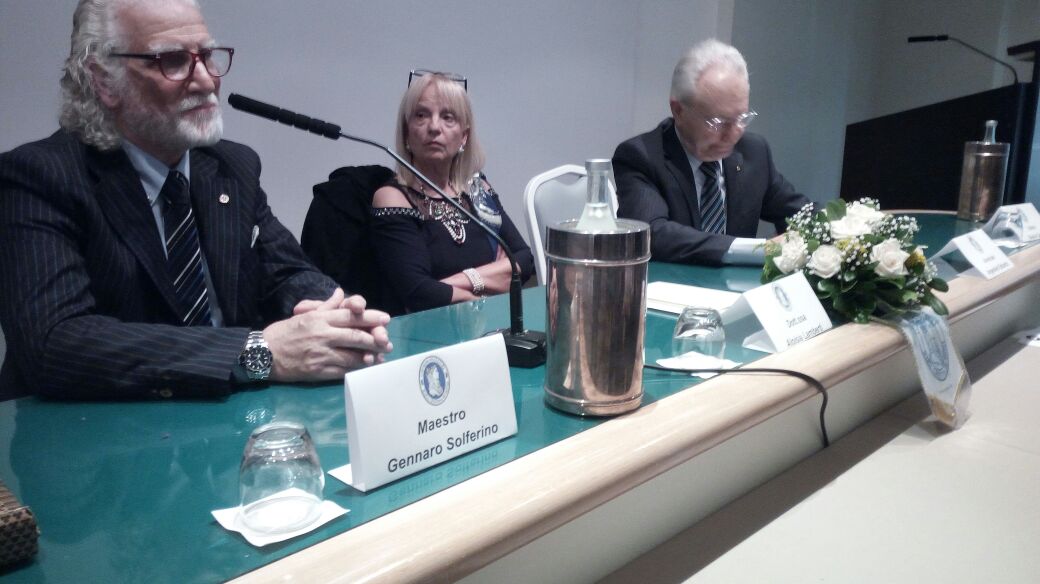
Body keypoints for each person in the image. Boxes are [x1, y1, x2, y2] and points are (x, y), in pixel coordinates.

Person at [0, 0, 392, 401]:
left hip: (228, 418)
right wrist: (256, 352)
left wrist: (337, 314)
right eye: (172, 61)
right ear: (103, 81)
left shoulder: (231, 166)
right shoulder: (41, 176)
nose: (206, 80)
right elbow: (54, 342)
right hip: (101, 428)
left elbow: (286, 271)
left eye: (206, 56)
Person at [612, 38, 812, 266]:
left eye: (742, 118)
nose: (733, 134)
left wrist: (836, 230)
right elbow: (653, 234)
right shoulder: (641, 157)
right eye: (719, 123)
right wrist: (759, 250)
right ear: (678, 111)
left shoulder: (754, 152)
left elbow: (802, 214)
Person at [368, 71, 534, 315]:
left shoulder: (476, 187)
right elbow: (418, 293)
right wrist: (492, 280)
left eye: (448, 117)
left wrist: (455, 284)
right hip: (427, 332)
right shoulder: (392, 197)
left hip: (487, 325)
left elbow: (524, 260)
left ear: (464, 136)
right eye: (421, 115)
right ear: (406, 132)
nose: (434, 127)